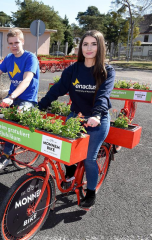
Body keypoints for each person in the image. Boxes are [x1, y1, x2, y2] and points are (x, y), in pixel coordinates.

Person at [38, 30, 115, 210]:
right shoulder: (73, 69)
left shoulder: (107, 71)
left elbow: (103, 96)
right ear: (80, 47)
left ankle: (91, 192)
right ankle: (71, 175)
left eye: (93, 44)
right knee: (66, 152)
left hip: (98, 119)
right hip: (76, 117)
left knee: (89, 158)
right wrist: (40, 106)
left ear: (100, 47)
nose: (89, 48)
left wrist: (96, 115)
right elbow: (57, 89)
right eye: (85, 44)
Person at [0, 28, 40, 170]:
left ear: (22, 42)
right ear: (7, 45)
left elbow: (27, 80)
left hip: (27, 100)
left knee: (13, 120)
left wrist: (11, 97)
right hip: (11, 98)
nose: (14, 46)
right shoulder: (9, 58)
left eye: (16, 42)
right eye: (11, 43)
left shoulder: (30, 58)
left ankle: (5, 156)